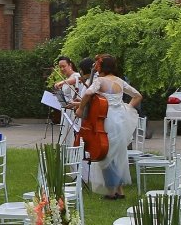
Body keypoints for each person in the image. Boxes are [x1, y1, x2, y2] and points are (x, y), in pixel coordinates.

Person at [82, 55, 142, 199]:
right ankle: (120, 190)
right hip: (120, 121)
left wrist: (80, 108)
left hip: (106, 121)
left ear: (101, 67)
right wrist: (127, 108)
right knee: (118, 154)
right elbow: (137, 95)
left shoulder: (100, 81)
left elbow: (88, 93)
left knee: (106, 155)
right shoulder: (120, 81)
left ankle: (111, 192)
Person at [51, 55, 82, 147]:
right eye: (60, 67)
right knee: (65, 133)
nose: (61, 69)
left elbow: (76, 80)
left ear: (70, 65)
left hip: (73, 110)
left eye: (64, 66)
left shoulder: (76, 75)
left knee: (71, 134)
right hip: (66, 110)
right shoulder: (67, 79)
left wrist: (62, 82)